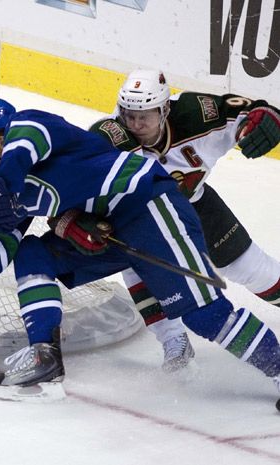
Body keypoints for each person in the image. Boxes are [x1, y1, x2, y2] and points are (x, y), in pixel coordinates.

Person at [0, 97, 280, 402]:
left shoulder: (28, 126)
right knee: (33, 252)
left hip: (147, 205)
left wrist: (2, 184)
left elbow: (25, 146)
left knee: (205, 315)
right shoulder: (1, 186)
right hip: (111, 234)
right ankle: (44, 355)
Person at [89, 70, 280, 371]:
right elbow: (77, 176)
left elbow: (252, 111)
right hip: (147, 223)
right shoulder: (110, 139)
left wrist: (266, 118)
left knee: (254, 270)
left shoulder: (197, 115)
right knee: (135, 265)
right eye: (129, 115)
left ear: (165, 110)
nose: (136, 125)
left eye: (145, 117)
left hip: (197, 208)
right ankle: (172, 340)